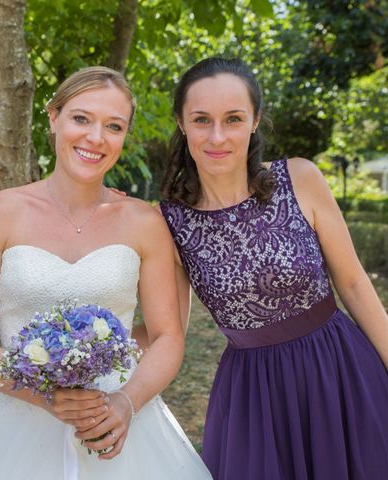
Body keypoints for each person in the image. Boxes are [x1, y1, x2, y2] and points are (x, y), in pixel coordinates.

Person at [0, 66, 211, 479]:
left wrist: (126, 402)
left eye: (114, 126)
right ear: (53, 117)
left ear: (125, 136)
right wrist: (40, 395)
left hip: (117, 423)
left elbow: (168, 336)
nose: (95, 137)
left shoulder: (143, 222)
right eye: (81, 118)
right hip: (12, 420)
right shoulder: (0, 213)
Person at [157, 57, 388, 479]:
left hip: (339, 372)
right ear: (181, 123)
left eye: (233, 118)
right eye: (202, 120)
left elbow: (353, 283)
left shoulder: (300, 178)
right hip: (254, 398)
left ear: (255, 121)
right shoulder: (170, 221)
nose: (218, 136)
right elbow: (168, 332)